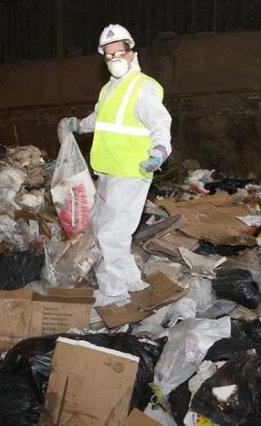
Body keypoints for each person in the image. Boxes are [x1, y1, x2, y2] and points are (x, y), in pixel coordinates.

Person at [59, 24, 172, 307]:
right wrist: (78, 125)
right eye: (108, 56)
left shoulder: (142, 87)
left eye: (119, 53)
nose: (114, 60)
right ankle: (131, 280)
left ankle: (113, 293)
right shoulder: (109, 88)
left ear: (132, 52)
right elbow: (100, 119)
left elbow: (160, 123)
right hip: (109, 170)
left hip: (132, 171)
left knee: (112, 232)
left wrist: (159, 151)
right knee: (104, 227)